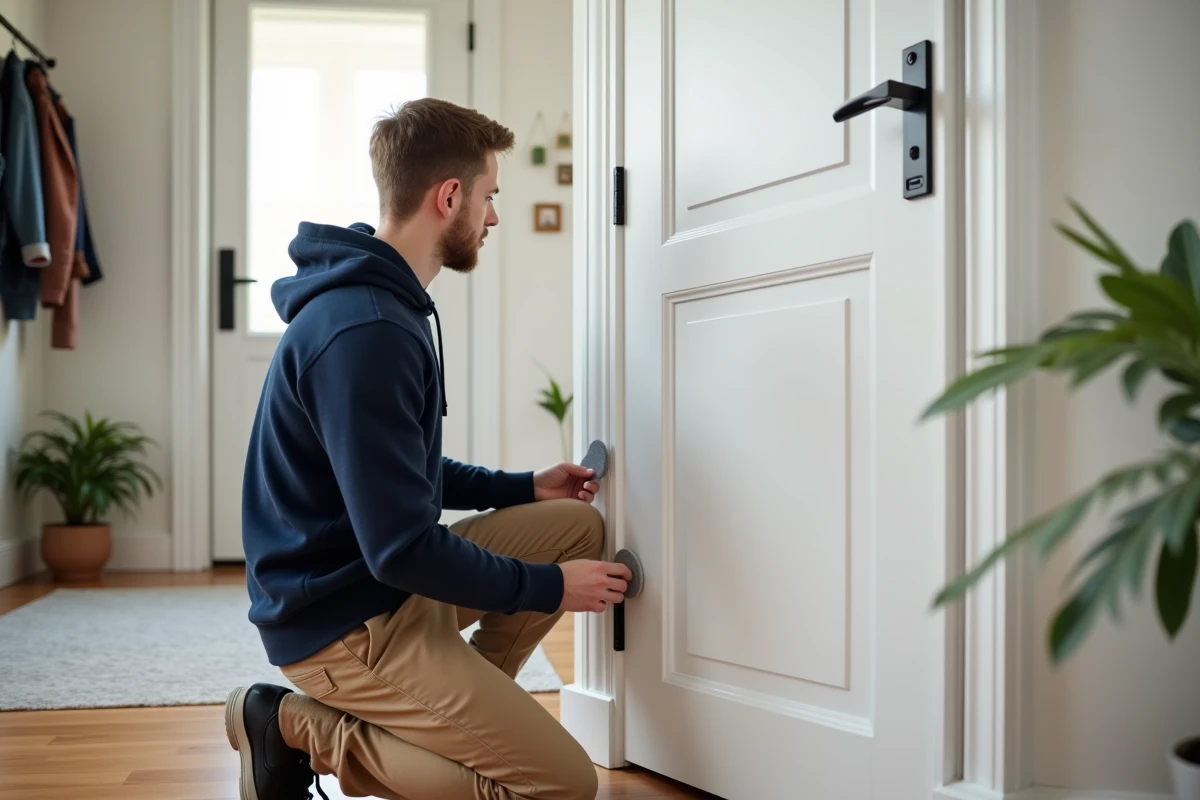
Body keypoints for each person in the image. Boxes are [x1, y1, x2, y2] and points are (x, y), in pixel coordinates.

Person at [224, 97, 632, 800]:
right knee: (561, 785)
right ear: (450, 197)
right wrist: (552, 588)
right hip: (343, 622)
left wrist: (522, 486)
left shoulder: (388, 305)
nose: (493, 216)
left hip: (383, 588)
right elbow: (401, 547)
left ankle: (455, 716)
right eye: (489, 196)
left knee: (576, 527)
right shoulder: (366, 331)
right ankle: (294, 726)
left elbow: (392, 478)